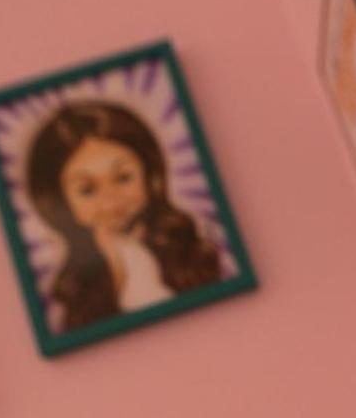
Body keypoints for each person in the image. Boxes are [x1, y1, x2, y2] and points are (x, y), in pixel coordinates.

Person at [26, 101, 222, 331]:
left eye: (123, 178)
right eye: (87, 190)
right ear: (60, 202)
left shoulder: (192, 251)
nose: (111, 200)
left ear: (149, 174)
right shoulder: (76, 286)